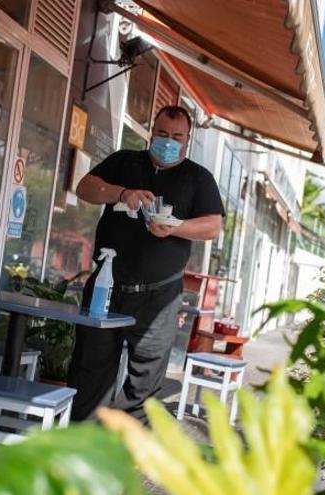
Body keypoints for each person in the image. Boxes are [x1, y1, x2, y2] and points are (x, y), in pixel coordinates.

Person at [67, 105, 224, 422]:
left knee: (144, 385)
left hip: (159, 296)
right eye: (163, 134)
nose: (169, 141)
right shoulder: (124, 161)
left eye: (177, 137)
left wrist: (175, 227)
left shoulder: (198, 178)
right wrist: (121, 193)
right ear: (152, 132)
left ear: (187, 140)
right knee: (89, 372)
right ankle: (80, 447)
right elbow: (84, 187)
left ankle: (127, 453)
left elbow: (212, 226)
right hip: (106, 289)